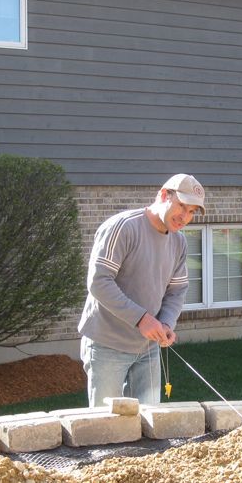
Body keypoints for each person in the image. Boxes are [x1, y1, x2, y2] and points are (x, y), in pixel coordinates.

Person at [78, 174, 205, 407]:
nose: (185, 217)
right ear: (164, 195)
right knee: (106, 428)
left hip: (148, 349)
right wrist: (142, 319)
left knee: (150, 423)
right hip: (107, 345)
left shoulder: (179, 243)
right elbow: (99, 282)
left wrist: (166, 323)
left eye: (192, 212)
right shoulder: (124, 227)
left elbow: (177, 290)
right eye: (182, 207)